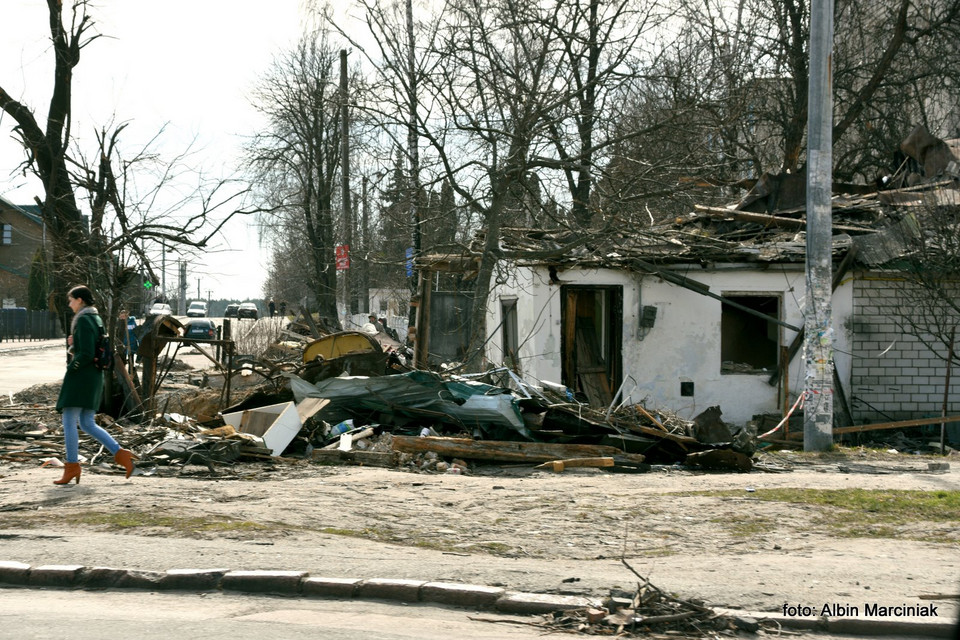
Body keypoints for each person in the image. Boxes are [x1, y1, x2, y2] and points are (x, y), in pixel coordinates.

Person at [53, 285, 138, 485]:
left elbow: (86, 353)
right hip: (94, 376)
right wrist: (76, 344)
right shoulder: (95, 318)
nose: (69, 303)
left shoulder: (82, 319)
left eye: (71, 299)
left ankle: (72, 466)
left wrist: (72, 367)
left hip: (82, 376)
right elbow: (90, 347)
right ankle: (123, 455)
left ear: (80, 300)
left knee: (69, 420)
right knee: (87, 422)